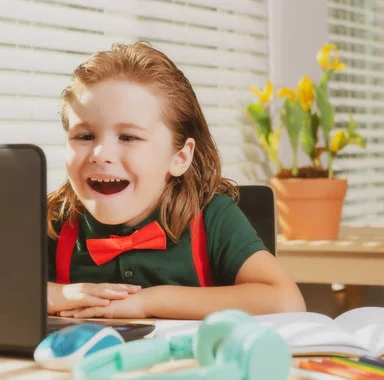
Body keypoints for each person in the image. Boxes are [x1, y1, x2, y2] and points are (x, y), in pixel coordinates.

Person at [46, 41, 306, 320]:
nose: (100, 154)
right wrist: (59, 295)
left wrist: (149, 301)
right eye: (85, 137)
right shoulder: (56, 220)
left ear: (180, 157)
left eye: (128, 137)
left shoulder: (213, 219)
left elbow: (286, 300)